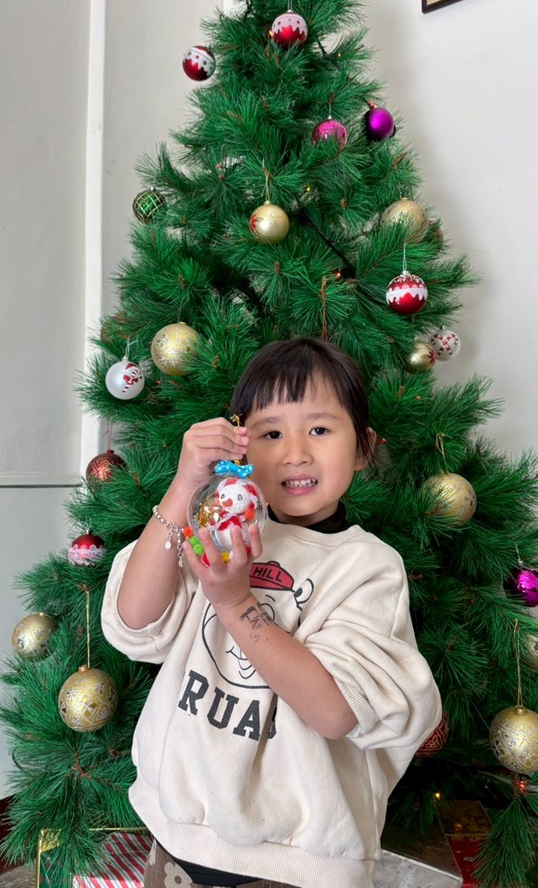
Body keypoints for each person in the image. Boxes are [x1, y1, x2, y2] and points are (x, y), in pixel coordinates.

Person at [101, 337, 442, 888]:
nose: (295, 453)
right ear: (241, 449)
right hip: (180, 831)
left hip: (297, 860)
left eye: (320, 429)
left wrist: (234, 602)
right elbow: (134, 621)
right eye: (271, 434)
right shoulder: (219, 528)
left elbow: (336, 711)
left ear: (363, 447)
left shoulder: (367, 565)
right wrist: (185, 485)